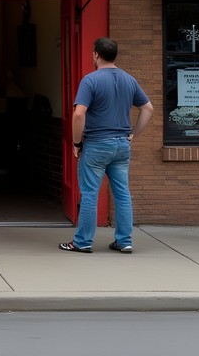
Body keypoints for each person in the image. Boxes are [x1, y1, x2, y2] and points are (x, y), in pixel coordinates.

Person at [59, 37, 154, 254]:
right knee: (122, 193)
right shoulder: (129, 80)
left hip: (97, 144)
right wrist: (132, 134)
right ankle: (124, 241)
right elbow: (148, 108)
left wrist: (76, 142)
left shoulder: (90, 81)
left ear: (95, 54)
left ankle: (82, 242)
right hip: (122, 145)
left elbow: (79, 114)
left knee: (90, 193)